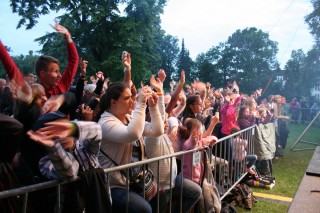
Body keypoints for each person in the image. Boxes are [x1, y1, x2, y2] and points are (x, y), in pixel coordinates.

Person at [98, 82, 163, 213]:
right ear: (113, 102)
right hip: (114, 185)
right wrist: (141, 104)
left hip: (133, 181)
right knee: (144, 210)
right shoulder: (105, 122)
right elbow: (133, 134)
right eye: (127, 98)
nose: (132, 101)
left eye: (132, 97)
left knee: (158, 201)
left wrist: (153, 107)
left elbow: (157, 130)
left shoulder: (129, 117)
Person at [145, 73, 202, 213]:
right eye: (161, 121)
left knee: (195, 191)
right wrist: (159, 93)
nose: (165, 123)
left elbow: (166, 112)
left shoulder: (162, 133)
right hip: (161, 186)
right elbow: (162, 114)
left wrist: (163, 89)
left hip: (173, 180)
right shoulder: (152, 136)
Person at [35, 23, 79, 97]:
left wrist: (68, 36)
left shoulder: (60, 87)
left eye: (59, 71)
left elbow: (73, 61)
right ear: (42, 73)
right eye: (56, 71)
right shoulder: (33, 95)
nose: (60, 75)